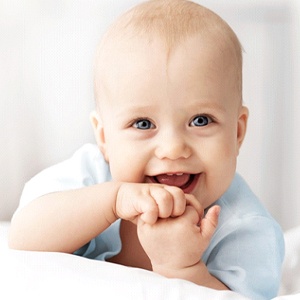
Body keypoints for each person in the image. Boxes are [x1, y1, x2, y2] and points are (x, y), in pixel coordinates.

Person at [9, 0, 284, 299]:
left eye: (200, 120)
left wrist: (183, 268)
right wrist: (112, 201)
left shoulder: (245, 231)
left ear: (237, 131)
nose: (173, 149)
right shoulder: (92, 176)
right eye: (142, 124)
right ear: (104, 137)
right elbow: (23, 236)